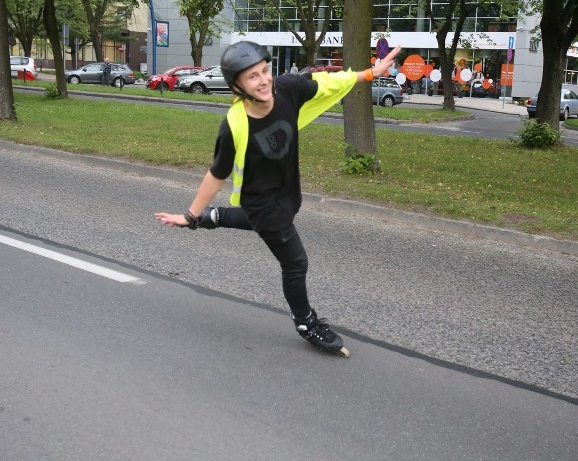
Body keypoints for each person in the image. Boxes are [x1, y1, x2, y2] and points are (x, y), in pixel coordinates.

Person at [155, 41, 400, 353]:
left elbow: (327, 82)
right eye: (252, 77)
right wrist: (188, 214)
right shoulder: (235, 124)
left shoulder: (287, 89)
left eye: (264, 71)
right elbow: (217, 173)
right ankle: (306, 323)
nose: (263, 80)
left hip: (286, 191)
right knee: (296, 263)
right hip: (262, 202)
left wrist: (369, 73)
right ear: (237, 86)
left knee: (271, 220)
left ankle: (211, 218)